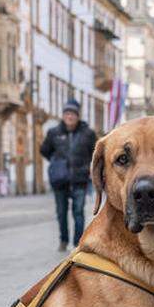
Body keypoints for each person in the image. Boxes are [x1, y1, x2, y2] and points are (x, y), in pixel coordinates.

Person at [40, 98, 97, 251]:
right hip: (60, 180)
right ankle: (63, 240)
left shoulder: (88, 133)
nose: (70, 117)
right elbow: (45, 150)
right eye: (67, 114)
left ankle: (78, 242)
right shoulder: (54, 133)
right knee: (61, 212)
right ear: (63, 116)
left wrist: (89, 168)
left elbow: (95, 153)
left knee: (78, 211)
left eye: (72, 114)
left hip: (80, 178)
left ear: (78, 116)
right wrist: (56, 162)